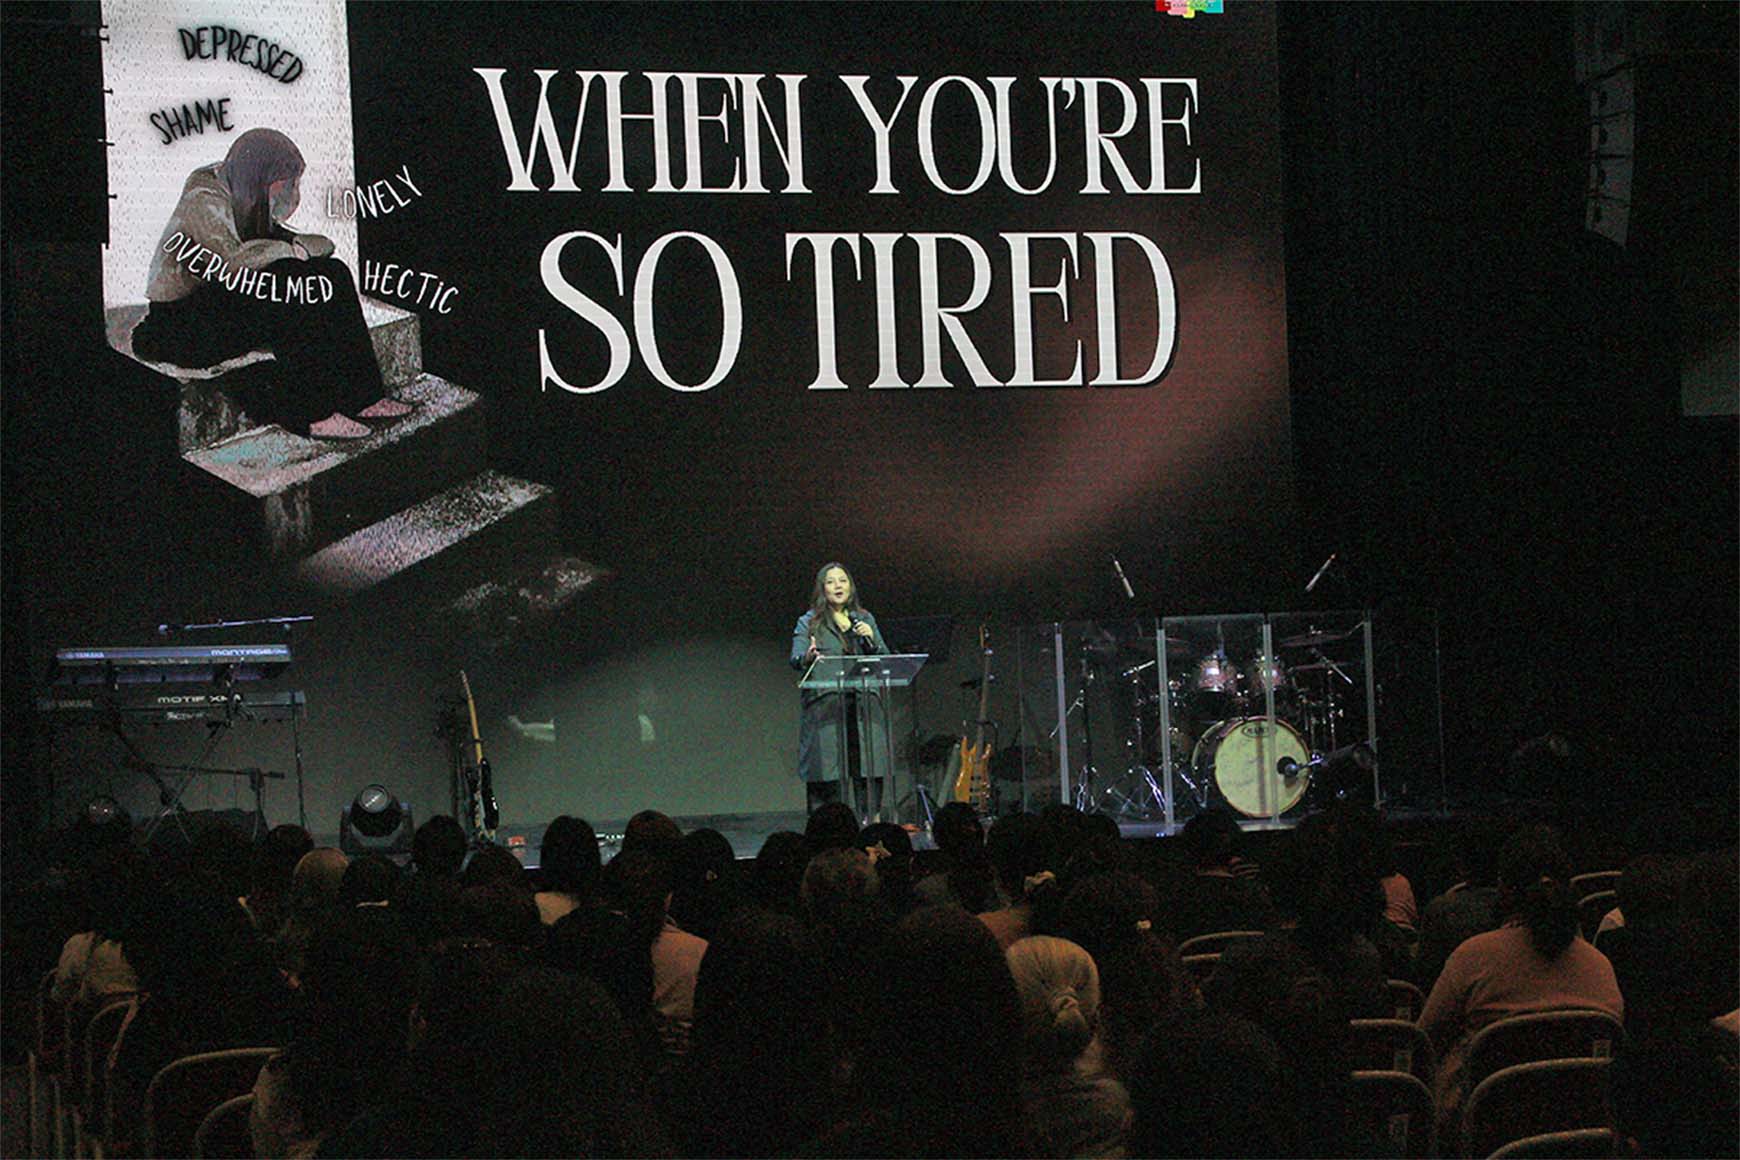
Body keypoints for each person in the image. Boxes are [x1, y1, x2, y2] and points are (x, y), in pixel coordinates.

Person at [130, 128, 411, 440]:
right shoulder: (204, 200)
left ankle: (364, 397)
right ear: (260, 176)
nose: (288, 190)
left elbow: (317, 245)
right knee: (286, 280)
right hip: (181, 325)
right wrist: (291, 250)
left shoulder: (243, 190)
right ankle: (313, 413)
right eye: (284, 182)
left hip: (219, 304)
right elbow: (235, 264)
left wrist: (297, 248)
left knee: (334, 272)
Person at [789, 561, 890, 815]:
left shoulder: (864, 619)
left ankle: (871, 826)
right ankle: (827, 829)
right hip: (827, 708)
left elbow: (885, 660)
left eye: (843, 581)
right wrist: (808, 656)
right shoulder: (810, 622)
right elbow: (796, 658)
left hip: (864, 709)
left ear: (851, 587)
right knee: (827, 777)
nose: (838, 586)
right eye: (831, 581)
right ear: (822, 588)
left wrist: (871, 639)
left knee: (867, 771)